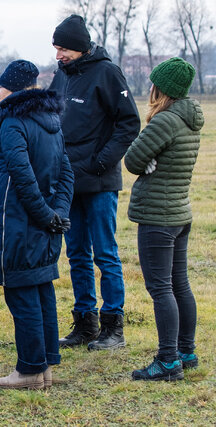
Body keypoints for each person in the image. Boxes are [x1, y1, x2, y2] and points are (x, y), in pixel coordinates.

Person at [48, 15, 140, 350]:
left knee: (105, 253)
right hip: (67, 181)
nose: (58, 54)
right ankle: (84, 323)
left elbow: (129, 123)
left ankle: (113, 326)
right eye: (56, 48)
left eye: (63, 48)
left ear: (80, 47)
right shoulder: (61, 76)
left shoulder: (108, 73)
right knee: (76, 254)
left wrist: (103, 160)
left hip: (100, 181)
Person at [0, 60, 74, 389]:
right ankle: (46, 366)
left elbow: (22, 178)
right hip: (45, 224)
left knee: (21, 293)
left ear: (10, 90)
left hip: (19, 225)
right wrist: (57, 214)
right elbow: (66, 172)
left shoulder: (12, 121)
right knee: (40, 289)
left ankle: (30, 370)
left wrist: (46, 215)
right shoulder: (51, 118)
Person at [124, 58, 203, 381]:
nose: (149, 88)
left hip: (158, 216)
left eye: (153, 84)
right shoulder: (189, 119)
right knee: (179, 284)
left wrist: (147, 162)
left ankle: (168, 361)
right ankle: (186, 350)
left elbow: (132, 160)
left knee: (161, 289)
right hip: (179, 213)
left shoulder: (165, 122)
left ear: (162, 90)